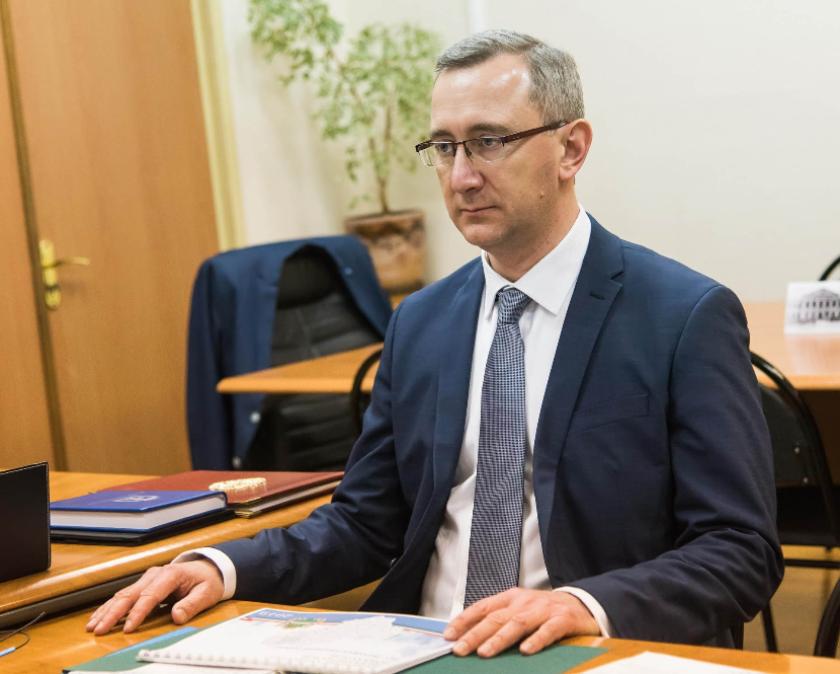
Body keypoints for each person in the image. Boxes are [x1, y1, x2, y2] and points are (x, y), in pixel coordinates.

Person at [87, 30, 783, 656]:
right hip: (420, 645)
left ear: (571, 149)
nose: (461, 176)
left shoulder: (681, 316)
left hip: (589, 646)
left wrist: (581, 605)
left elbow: (739, 550)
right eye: (444, 148)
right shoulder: (421, 321)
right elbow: (366, 522)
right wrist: (221, 567)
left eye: (490, 141)